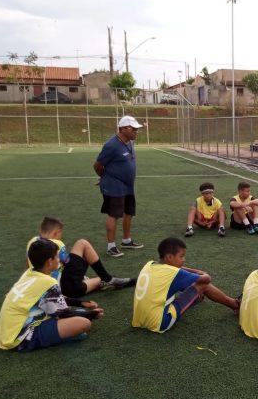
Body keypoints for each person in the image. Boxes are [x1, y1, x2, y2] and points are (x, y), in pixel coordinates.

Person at [0, 239, 104, 352]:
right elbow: (63, 314)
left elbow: (53, 299)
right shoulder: (48, 282)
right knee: (84, 324)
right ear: (49, 261)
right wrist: (92, 314)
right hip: (20, 339)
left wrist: (81, 303)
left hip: (8, 334)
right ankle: (66, 337)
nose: (59, 260)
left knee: (72, 314)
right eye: (56, 257)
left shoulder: (29, 273)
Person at [132, 238, 239, 333]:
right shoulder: (173, 273)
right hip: (160, 322)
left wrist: (191, 271)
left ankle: (198, 297)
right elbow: (207, 279)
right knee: (203, 285)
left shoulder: (150, 264)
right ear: (169, 257)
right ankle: (235, 305)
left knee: (185, 282)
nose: (184, 259)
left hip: (139, 319)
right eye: (181, 256)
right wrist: (200, 272)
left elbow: (176, 271)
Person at [27, 216, 135, 297]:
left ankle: (104, 279)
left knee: (81, 247)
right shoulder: (56, 243)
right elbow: (67, 261)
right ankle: (107, 279)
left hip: (46, 287)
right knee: (83, 245)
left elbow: (29, 266)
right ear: (56, 233)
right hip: (66, 288)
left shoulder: (32, 243)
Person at [93, 115, 144, 258]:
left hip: (128, 185)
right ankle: (111, 246)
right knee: (114, 215)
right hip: (114, 185)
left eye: (136, 129)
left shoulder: (129, 142)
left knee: (129, 212)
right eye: (133, 129)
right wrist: (104, 177)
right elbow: (98, 165)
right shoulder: (111, 145)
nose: (136, 132)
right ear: (123, 129)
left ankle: (126, 241)